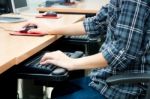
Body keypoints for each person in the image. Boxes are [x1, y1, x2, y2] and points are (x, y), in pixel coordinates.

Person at [23, 0, 150, 98]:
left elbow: (121, 53)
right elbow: (95, 23)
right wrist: (50, 29)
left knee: (63, 94)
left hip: (124, 88)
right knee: (61, 90)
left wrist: (71, 62)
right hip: (107, 77)